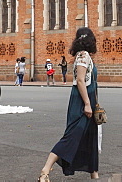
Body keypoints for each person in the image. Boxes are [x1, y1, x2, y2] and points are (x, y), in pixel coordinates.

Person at [39, 27, 100, 181]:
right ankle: (45, 170)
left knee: (90, 137)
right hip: (81, 101)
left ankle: (95, 175)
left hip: (87, 99)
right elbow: (80, 81)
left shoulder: (83, 56)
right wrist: (87, 104)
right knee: (72, 136)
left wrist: (94, 104)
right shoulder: (83, 56)